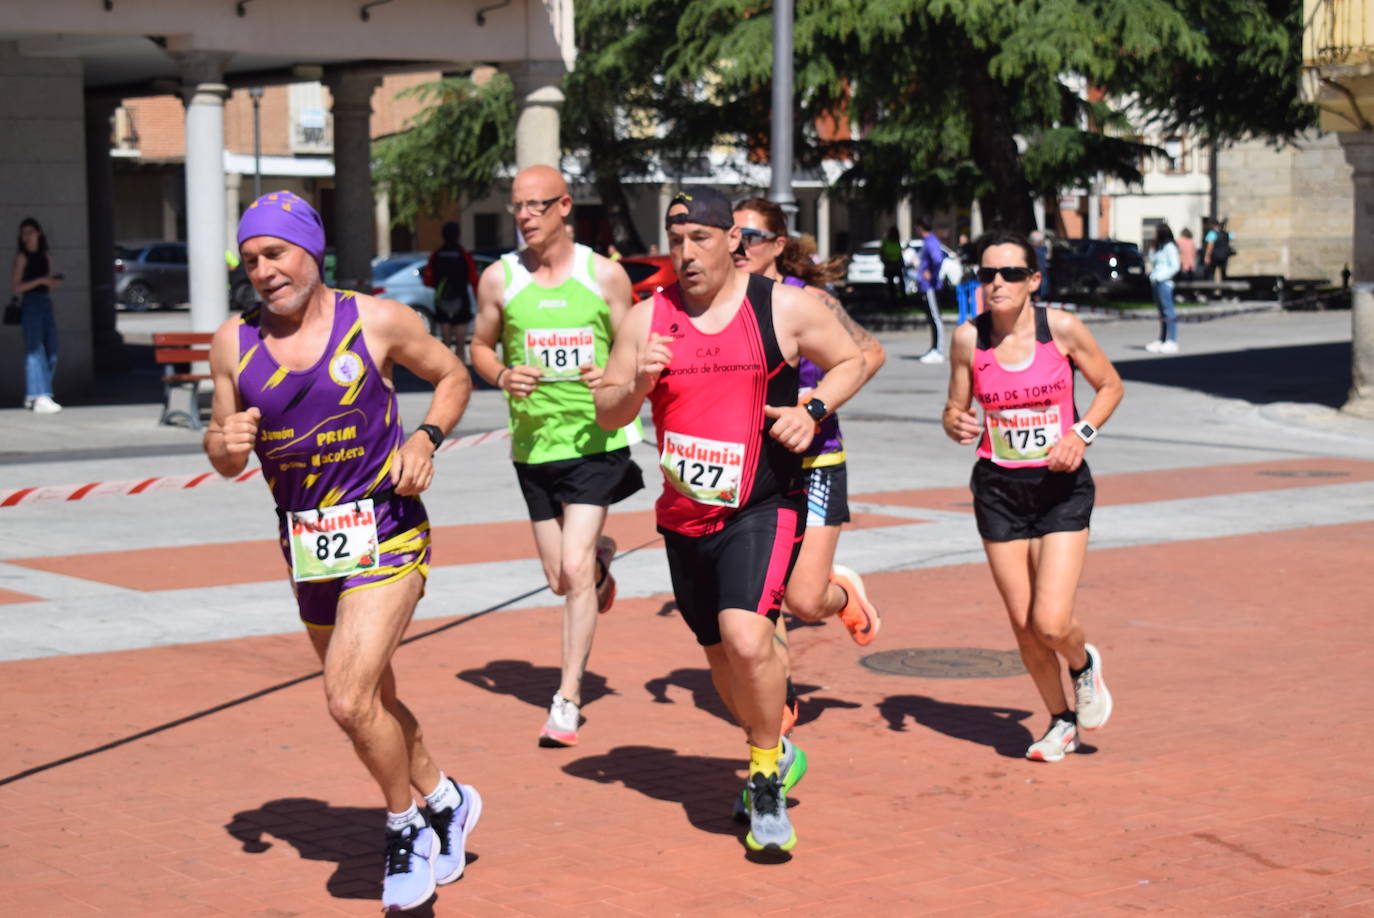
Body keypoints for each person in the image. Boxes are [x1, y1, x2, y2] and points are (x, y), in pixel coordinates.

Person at [203, 191, 479, 912]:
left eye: (276, 253)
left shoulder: (377, 320)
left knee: (348, 698)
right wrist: (222, 446)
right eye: (252, 258)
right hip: (309, 550)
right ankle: (448, 800)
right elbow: (222, 447)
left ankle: (405, 828)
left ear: (311, 251)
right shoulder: (233, 344)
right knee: (376, 699)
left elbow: (454, 376)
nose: (264, 270)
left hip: (387, 531)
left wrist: (426, 439)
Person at [595, 187, 866, 853]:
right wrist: (636, 385)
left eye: (701, 239)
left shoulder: (780, 305)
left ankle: (767, 776)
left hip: (763, 504)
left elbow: (855, 357)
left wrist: (814, 409)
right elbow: (605, 411)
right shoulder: (647, 318)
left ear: (731, 244)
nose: (686, 253)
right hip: (685, 517)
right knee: (721, 660)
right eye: (676, 239)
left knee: (747, 638)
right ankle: (763, 749)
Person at [470, 165, 643, 748]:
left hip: (597, 440)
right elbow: (479, 345)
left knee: (570, 574)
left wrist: (613, 373)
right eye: (517, 205)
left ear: (565, 206)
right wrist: (500, 373)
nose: (524, 216)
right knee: (559, 578)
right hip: (533, 445)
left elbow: (633, 341)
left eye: (536, 205)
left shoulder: (605, 276)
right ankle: (600, 562)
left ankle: (568, 697)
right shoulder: (500, 281)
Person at [941, 229, 1124, 764]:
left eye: (1010, 274)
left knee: (1050, 621)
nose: (997, 283)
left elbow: (1110, 386)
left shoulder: (1061, 329)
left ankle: (1082, 663)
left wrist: (1079, 435)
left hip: (1060, 488)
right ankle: (1060, 721)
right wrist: (955, 422)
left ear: (1033, 281)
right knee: (1023, 627)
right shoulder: (967, 339)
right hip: (998, 489)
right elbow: (954, 411)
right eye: (987, 273)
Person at [730, 197, 885, 739]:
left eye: (751, 237)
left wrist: (814, 402)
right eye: (732, 235)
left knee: (803, 598)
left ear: (776, 245)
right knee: (762, 594)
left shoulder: (811, 300)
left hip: (817, 458)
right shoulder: (723, 305)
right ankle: (783, 697)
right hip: (752, 469)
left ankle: (842, 593)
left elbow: (869, 353)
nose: (738, 245)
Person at [10, 217, 62, 414]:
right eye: (24, 233)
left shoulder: (45, 256)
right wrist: (39, 280)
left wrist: (49, 282)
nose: (27, 236)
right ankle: (40, 395)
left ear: (39, 233)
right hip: (30, 302)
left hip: (45, 302)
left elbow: (47, 281)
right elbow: (16, 286)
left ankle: (37, 393)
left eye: (30, 232)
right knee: (34, 350)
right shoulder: (22, 257)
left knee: (52, 349)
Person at [424, 221, 480, 362]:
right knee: (461, 345)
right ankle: (463, 376)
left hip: (442, 300)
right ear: (458, 235)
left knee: (446, 343)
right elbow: (474, 278)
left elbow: (427, 279)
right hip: (461, 299)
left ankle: (446, 377)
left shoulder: (436, 255)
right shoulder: (464, 255)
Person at [914, 218, 947, 363]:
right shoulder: (928, 241)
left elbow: (938, 259)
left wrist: (932, 273)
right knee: (931, 318)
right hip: (926, 285)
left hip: (930, 286)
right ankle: (934, 348)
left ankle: (938, 350)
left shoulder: (931, 241)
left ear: (920, 227)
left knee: (935, 317)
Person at [1147, 224, 1182, 354]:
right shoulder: (1160, 247)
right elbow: (1153, 260)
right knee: (1161, 313)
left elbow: (1175, 266)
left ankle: (1172, 340)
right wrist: (1152, 247)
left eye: (1155, 232)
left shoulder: (1170, 247)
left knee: (1168, 312)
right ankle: (1162, 339)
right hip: (1156, 281)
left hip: (1164, 283)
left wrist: (1161, 277)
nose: (1153, 235)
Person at [879, 225, 904, 304]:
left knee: (901, 283)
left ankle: (902, 299)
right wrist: (886, 262)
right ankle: (892, 300)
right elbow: (881, 253)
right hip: (889, 264)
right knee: (890, 284)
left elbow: (899, 254)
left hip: (897, 265)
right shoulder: (886, 242)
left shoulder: (897, 242)